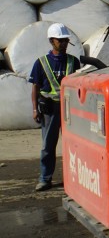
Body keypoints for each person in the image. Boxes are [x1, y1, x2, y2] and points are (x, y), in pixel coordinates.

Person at [29, 23, 79, 191]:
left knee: (73, 145)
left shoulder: (74, 61)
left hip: (69, 110)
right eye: (60, 40)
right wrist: (35, 109)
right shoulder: (41, 63)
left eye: (66, 40)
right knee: (48, 146)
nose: (64, 43)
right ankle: (45, 178)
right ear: (52, 41)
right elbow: (35, 87)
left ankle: (74, 177)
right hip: (50, 110)